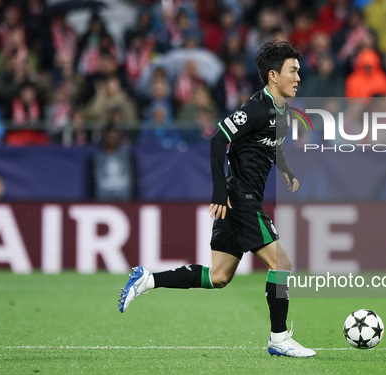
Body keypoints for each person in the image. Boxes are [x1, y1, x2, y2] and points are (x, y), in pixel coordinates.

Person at [117, 40, 316, 358]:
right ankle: (279, 339)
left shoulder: (281, 111)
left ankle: (147, 280)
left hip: (242, 199)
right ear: (273, 76)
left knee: (219, 276)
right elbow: (217, 140)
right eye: (293, 71)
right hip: (241, 200)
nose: (298, 77)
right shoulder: (256, 107)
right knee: (282, 263)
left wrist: (287, 170)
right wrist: (220, 192)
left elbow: (271, 144)